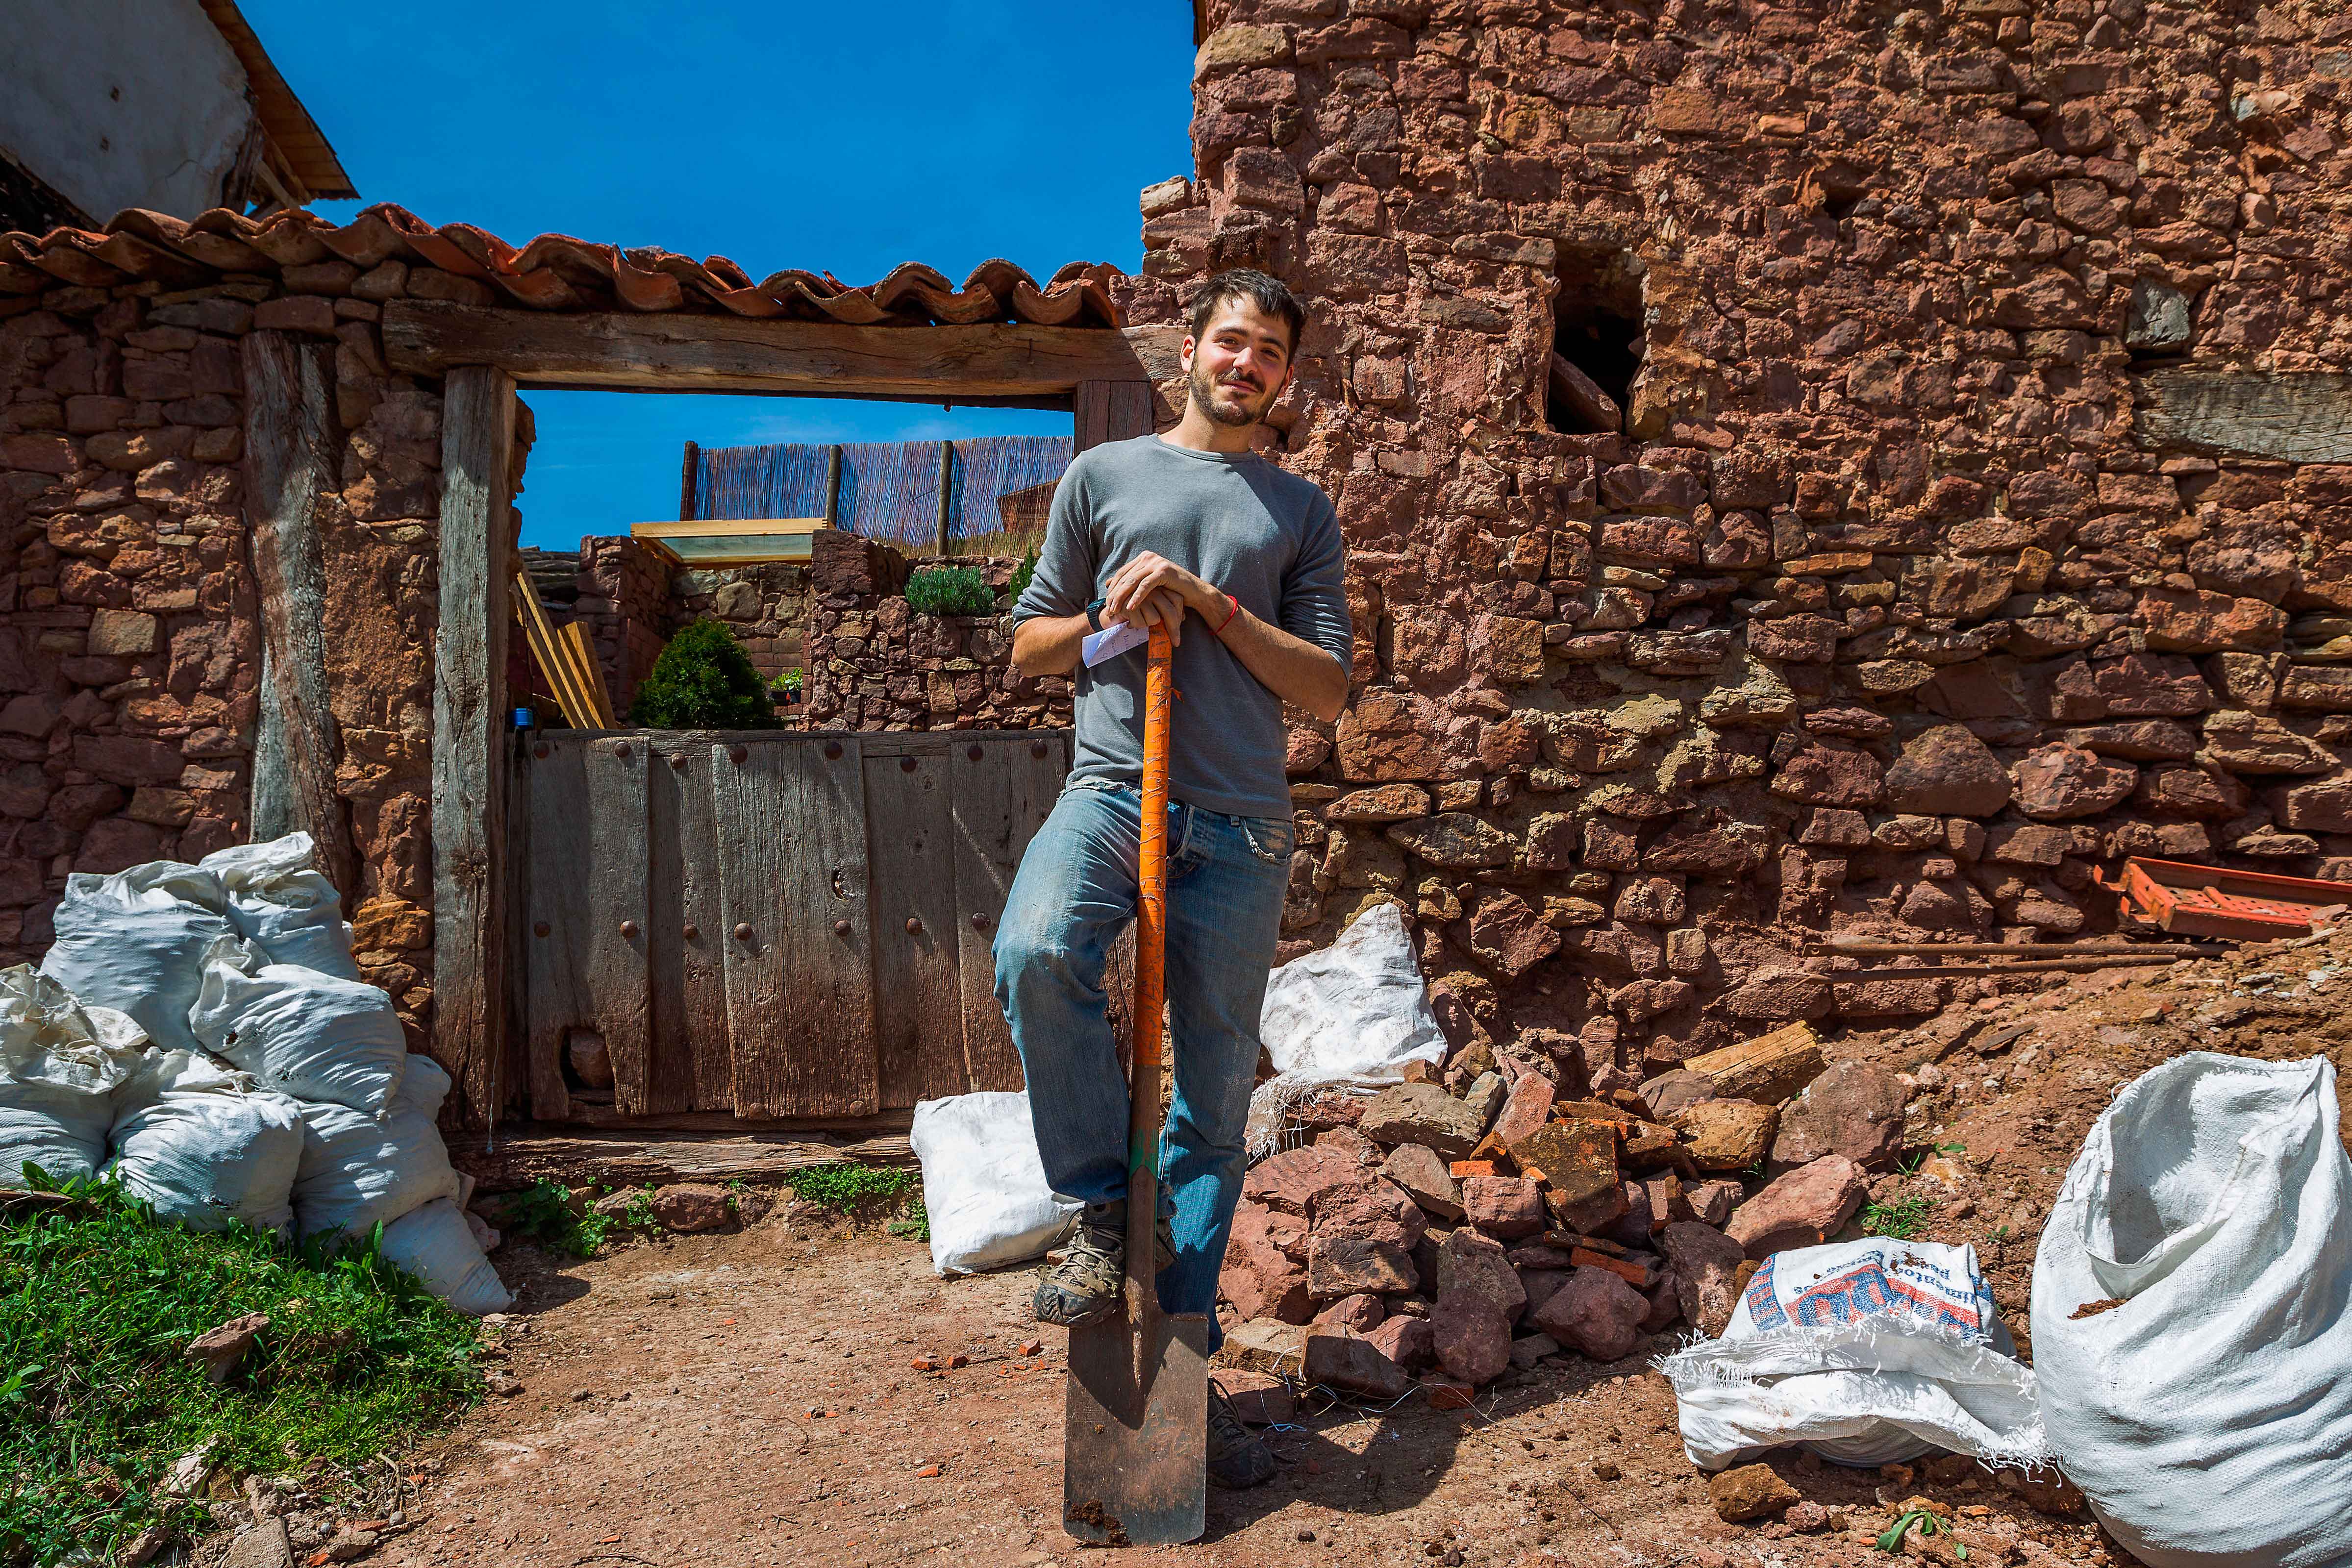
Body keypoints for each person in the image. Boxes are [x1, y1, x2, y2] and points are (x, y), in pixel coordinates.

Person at [994, 269, 1351, 1489]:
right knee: (1037, 950)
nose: (1245, 363)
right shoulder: (1102, 480)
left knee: (1206, 1094)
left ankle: (1180, 1351)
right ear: (1189, 353)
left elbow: (1325, 686)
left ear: (1285, 380)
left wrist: (1206, 603)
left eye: (1269, 353)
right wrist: (1110, 617)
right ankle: (1101, 1212)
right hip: (1110, 792)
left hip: (1243, 823)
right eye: (1230, 341)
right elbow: (1031, 644)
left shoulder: (1298, 510)